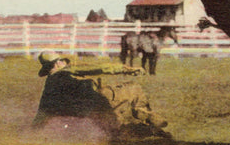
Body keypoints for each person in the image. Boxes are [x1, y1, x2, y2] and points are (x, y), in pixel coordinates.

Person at [32, 51, 169, 139]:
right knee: (134, 89)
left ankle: (151, 131)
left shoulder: (49, 90)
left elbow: (42, 115)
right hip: (100, 103)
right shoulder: (66, 71)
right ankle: (146, 116)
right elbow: (100, 68)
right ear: (57, 63)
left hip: (90, 115)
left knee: (118, 133)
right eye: (61, 60)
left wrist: (31, 133)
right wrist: (126, 69)